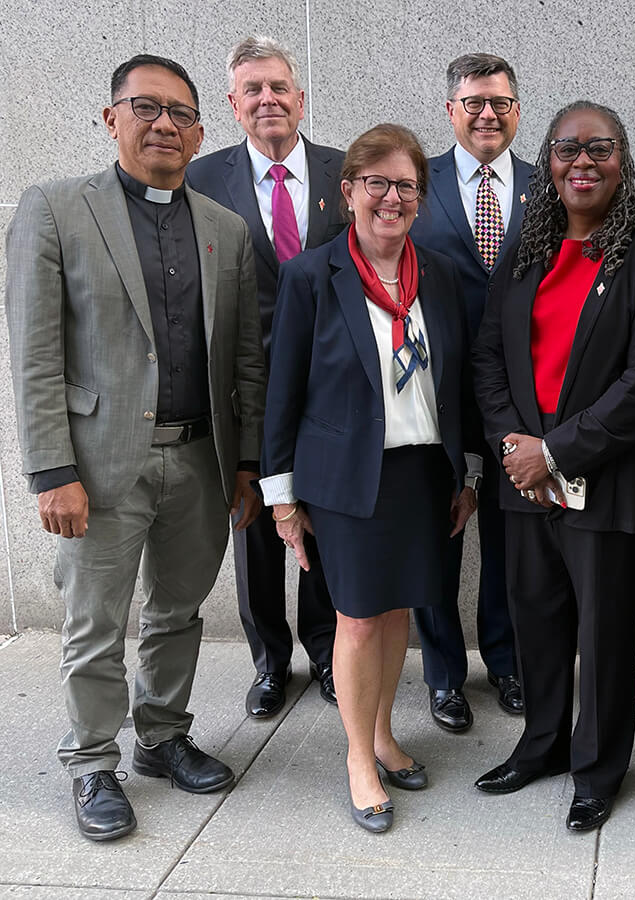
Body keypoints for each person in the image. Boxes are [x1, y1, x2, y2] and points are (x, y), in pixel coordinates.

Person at [5, 54, 266, 841]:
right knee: (95, 620)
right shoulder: (55, 209)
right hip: (98, 464)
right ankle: (90, 762)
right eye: (146, 108)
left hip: (199, 458)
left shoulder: (226, 230)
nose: (164, 125)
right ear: (111, 117)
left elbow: (245, 360)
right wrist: (52, 470)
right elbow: (35, 353)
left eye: (181, 113)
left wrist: (247, 463)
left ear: (198, 130)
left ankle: (161, 736)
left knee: (177, 609)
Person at [259, 124, 480, 833]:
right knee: (356, 619)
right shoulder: (311, 275)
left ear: (421, 196)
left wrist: (465, 472)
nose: (392, 197)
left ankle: (384, 733)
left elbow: (458, 386)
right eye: (377, 183)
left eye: (407, 185)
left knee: (395, 614)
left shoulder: (438, 275)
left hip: (421, 473)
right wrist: (282, 500)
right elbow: (282, 393)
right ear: (349, 191)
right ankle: (358, 758)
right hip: (347, 480)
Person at [472, 101, 635, 833]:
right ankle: (542, 747)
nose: (582, 162)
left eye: (600, 148)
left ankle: (597, 769)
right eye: (567, 149)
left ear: (623, 161)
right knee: (535, 620)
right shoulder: (526, 247)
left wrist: (554, 451)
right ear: (548, 161)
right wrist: (512, 447)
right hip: (525, 482)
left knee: (602, 636)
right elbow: (489, 356)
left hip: (608, 483)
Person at [188, 35, 344, 719]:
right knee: (254, 527)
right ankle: (269, 661)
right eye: (252, 90)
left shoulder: (346, 172)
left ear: (300, 97)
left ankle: (328, 650)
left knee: (325, 526)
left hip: (331, 389)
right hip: (243, 394)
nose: (268, 99)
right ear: (232, 104)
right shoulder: (200, 180)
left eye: (278, 87)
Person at [408, 53, 530, 732]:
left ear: (517, 111)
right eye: (474, 102)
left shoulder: (547, 185)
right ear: (450, 110)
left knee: (513, 539)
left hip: (520, 397)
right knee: (439, 536)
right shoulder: (412, 183)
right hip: (435, 395)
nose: (488, 114)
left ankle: (507, 663)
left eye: (501, 103)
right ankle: (444, 675)